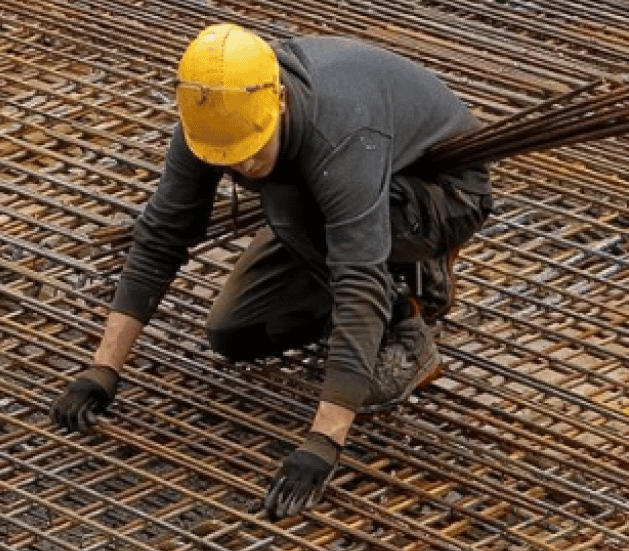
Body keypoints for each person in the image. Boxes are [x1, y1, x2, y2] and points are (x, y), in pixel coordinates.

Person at [50, 24, 495, 520]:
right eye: (229, 161)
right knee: (235, 333)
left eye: (251, 151)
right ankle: (391, 270)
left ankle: (406, 321)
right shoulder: (209, 115)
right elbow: (161, 233)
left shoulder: (339, 130)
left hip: (440, 192)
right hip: (329, 198)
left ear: (278, 102)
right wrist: (102, 368)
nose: (240, 167)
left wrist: (324, 441)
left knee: (292, 205)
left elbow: (357, 276)